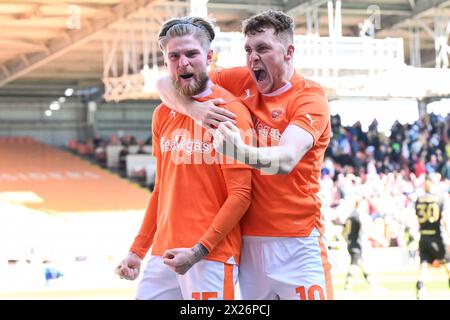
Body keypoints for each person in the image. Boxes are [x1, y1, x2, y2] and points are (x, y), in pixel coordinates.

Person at [156, 10, 333, 300]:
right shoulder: (243, 80)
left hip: (297, 242)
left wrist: (239, 151)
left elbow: (286, 159)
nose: (253, 58)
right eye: (248, 50)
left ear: (289, 51)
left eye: (263, 49)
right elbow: (166, 83)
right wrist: (194, 110)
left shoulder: (309, 98)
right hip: (249, 244)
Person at [115, 16, 253, 300]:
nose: (183, 63)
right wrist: (137, 251)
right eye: (174, 56)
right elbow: (161, 189)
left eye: (192, 53)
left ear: (210, 57)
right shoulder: (162, 114)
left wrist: (199, 250)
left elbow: (241, 195)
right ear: (166, 61)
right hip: (162, 254)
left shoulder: (231, 111)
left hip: (210, 255)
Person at [414, 176, 450, 300]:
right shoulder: (441, 198)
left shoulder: (419, 199)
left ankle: (420, 293)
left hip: (423, 238)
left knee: (424, 270)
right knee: (449, 267)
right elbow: (445, 218)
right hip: (438, 238)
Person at [341, 198, 386, 293]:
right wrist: (380, 240)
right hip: (357, 245)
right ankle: (347, 288)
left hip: (351, 244)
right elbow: (367, 231)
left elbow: (344, 233)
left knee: (363, 265)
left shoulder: (350, 216)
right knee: (354, 265)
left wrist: (348, 241)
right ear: (360, 205)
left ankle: (373, 286)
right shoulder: (360, 216)